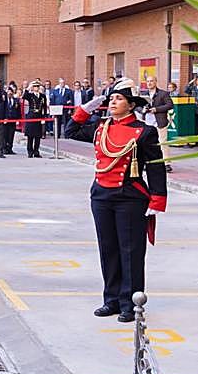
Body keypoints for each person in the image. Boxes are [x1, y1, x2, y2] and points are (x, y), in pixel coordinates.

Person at [64, 79, 167, 322]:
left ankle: (129, 304)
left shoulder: (144, 131)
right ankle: (110, 299)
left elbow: (155, 167)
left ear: (131, 105)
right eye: (111, 98)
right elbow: (71, 131)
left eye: (118, 99)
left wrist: (157, 200)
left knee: (130, 251)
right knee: (108, 249)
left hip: (129, 196)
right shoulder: (102, 127)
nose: (113, 102)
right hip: (101, 194)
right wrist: (87, 107)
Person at [144, 78, 174, 171]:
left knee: (162, 142)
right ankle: (148, 162)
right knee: (147, 143)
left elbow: (170, 105)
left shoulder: (163, 93)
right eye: (148, 81)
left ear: (156, 82)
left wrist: (156, 109)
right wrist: (143, 109)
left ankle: (166, 163)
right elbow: (138, 107)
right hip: (147, 121)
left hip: (160, 121)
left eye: (151, 81)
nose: (149, 83)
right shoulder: (144, 94)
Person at [22, 80, 49, 158]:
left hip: (39, 116)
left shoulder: (42, 96)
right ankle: (30, 152)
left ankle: (36, 151)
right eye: (35, 86)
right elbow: (24, 96)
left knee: (38, 136)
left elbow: (44, 107)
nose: (36, 88)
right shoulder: (30, 95)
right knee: (30, 136)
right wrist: (29, 86)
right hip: (31, 116)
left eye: (37, 86)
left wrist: (44, 117)